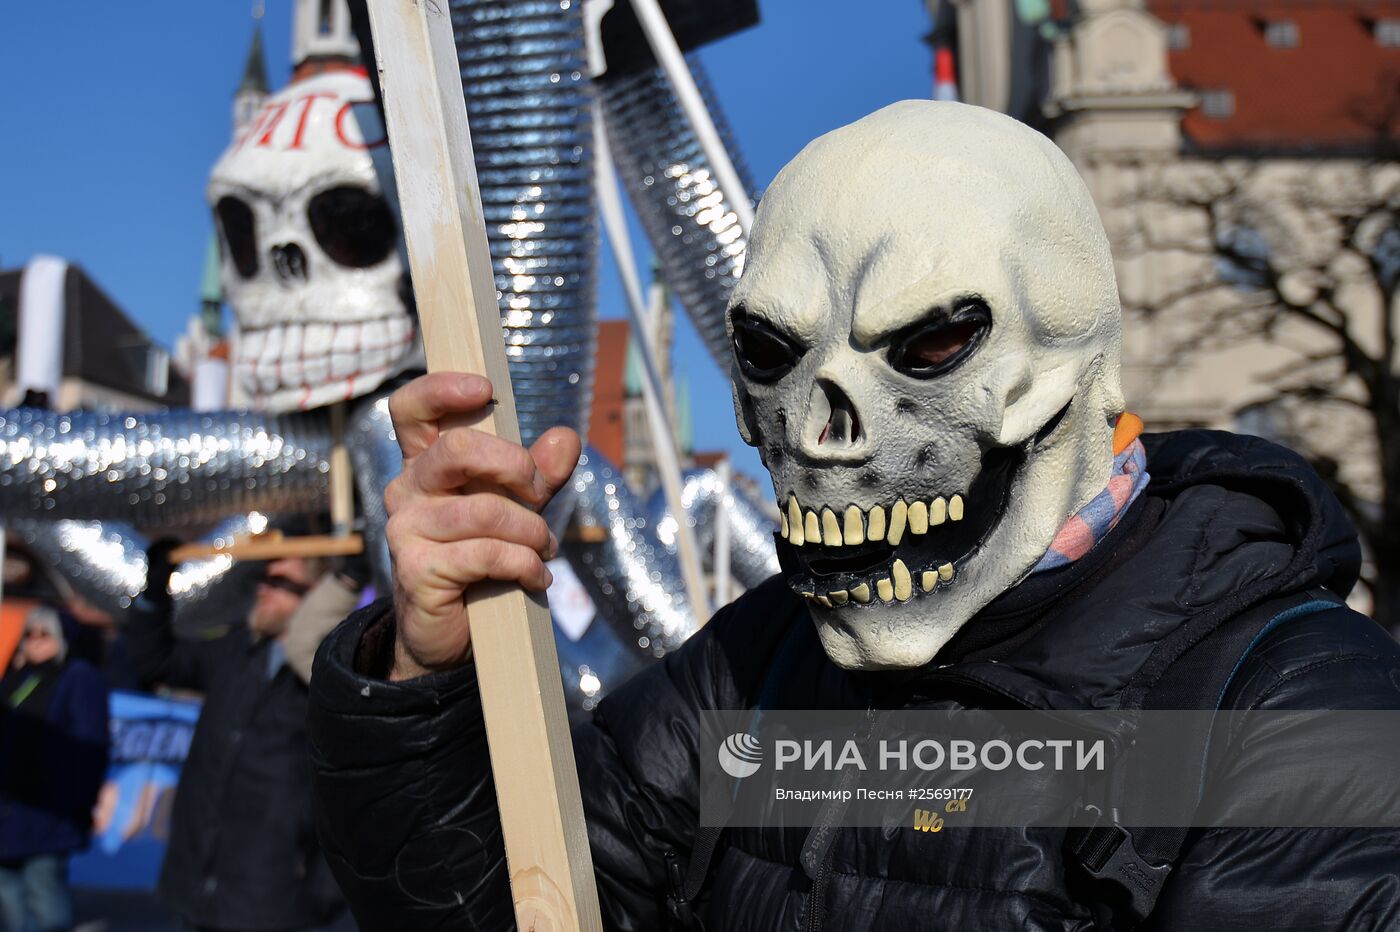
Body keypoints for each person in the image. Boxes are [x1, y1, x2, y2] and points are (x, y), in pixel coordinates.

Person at [305, 102, 1400, 930]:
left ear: (1067, 364)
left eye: (927, 344)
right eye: (772, 356)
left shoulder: (1290, 706)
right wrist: (420, 676)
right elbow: (507, 907)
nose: (821, 430)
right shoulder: (755, 667)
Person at [128, 543, 365, 932]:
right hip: (196, 881)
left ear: (316, 593)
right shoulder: (236, 649)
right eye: (263, 579)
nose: (263, 590)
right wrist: (154, 592)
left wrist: (325, 890)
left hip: (271, 894)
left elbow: (349, 793)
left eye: (280, 582)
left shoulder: (332, 675)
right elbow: (155, 661)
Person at [0, 605, 109, 932]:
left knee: (45, 900)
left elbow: (91, 745)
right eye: (29, 634)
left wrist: (78, 803)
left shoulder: (78, 677)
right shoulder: (17, 676)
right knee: (11, 898)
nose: (34, 642)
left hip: (49, 810)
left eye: (44, 634)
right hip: (9, 808)